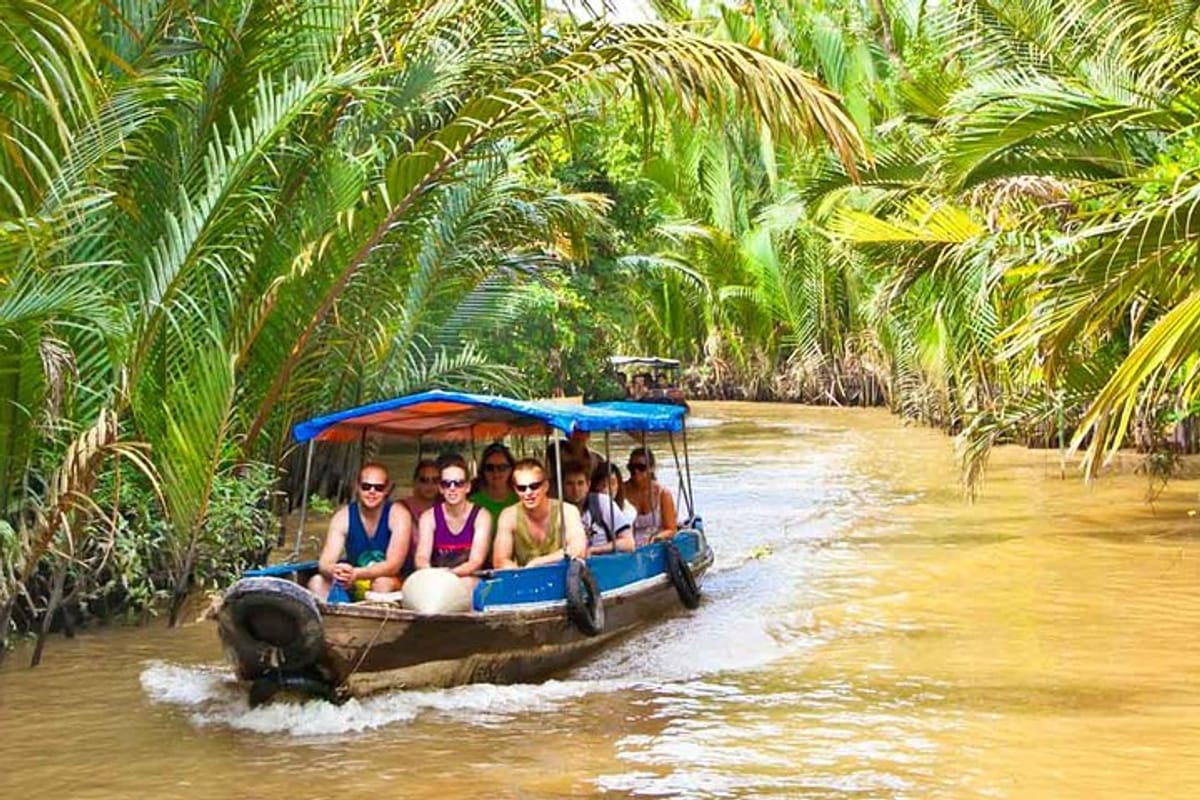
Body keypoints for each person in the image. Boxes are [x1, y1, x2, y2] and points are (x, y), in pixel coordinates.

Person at [308, 462, 411, 600]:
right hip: (352, 581)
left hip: (388, 582)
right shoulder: (343, 517)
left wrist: (357, 573)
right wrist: (336, 571)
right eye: (366, 487)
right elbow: (325, 562)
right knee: (316, 582)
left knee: (382, 583)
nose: (372, 492)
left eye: (379, 488)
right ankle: (336, 613)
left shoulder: (398, 514)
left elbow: (393, 565)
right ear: (357, 486)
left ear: (387, 489)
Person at [492, 458, 588, 568]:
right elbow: (500, 561)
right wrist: (524, 573)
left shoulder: (567, 511)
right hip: (525, 576)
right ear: (515, 490)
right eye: (522, 488)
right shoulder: (508, 516)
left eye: (534, 486)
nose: (528, 492)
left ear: (546, 486)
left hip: (563, 574)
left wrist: (537, 563)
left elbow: (579, 549)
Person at [415, 454, 491, 580]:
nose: (452, 488)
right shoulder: (428, 517)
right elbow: (421, 557)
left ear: (468, 487)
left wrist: (449, 575)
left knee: (467, 582)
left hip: (470, 578)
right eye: (446, 484)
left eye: (458, 483)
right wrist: (431, 572)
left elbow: (476, 562)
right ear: (440, 488)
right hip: (437, 578)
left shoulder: (481, 516)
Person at [560, 461, 634, 555]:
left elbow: (628, 543)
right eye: (569, 484)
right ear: (562, 486)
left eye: (580, 483)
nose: (575, 489)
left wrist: (594, 550)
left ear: (588, 485)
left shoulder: (602, 502)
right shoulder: (558, 510)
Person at [624, 447, 677, 546]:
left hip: (655, 544)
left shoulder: (663, 494)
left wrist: (658, 537)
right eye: (631, 468)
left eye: (641, 467)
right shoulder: (621, 492)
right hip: (629, 545)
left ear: (651, 468)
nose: (636, 471)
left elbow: (671, 529)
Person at [468, 442, 518, 539]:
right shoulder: (472, 503)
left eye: (502, 467)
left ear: (511, 469)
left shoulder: (521, 497)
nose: (496, 472)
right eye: (490, 468)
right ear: (483, 471)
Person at [545, 428, 602, 496]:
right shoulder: (555, 453)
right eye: (574, 433)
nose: (578, 436)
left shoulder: (596, 460)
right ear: (567, 434)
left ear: (588, 435)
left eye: (582, 432)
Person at [400, 459, 440, 523]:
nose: (430, 484)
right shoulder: (401, 508)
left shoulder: (445, 509)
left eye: (435, 480)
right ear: (415, 482)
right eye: (424, 480)